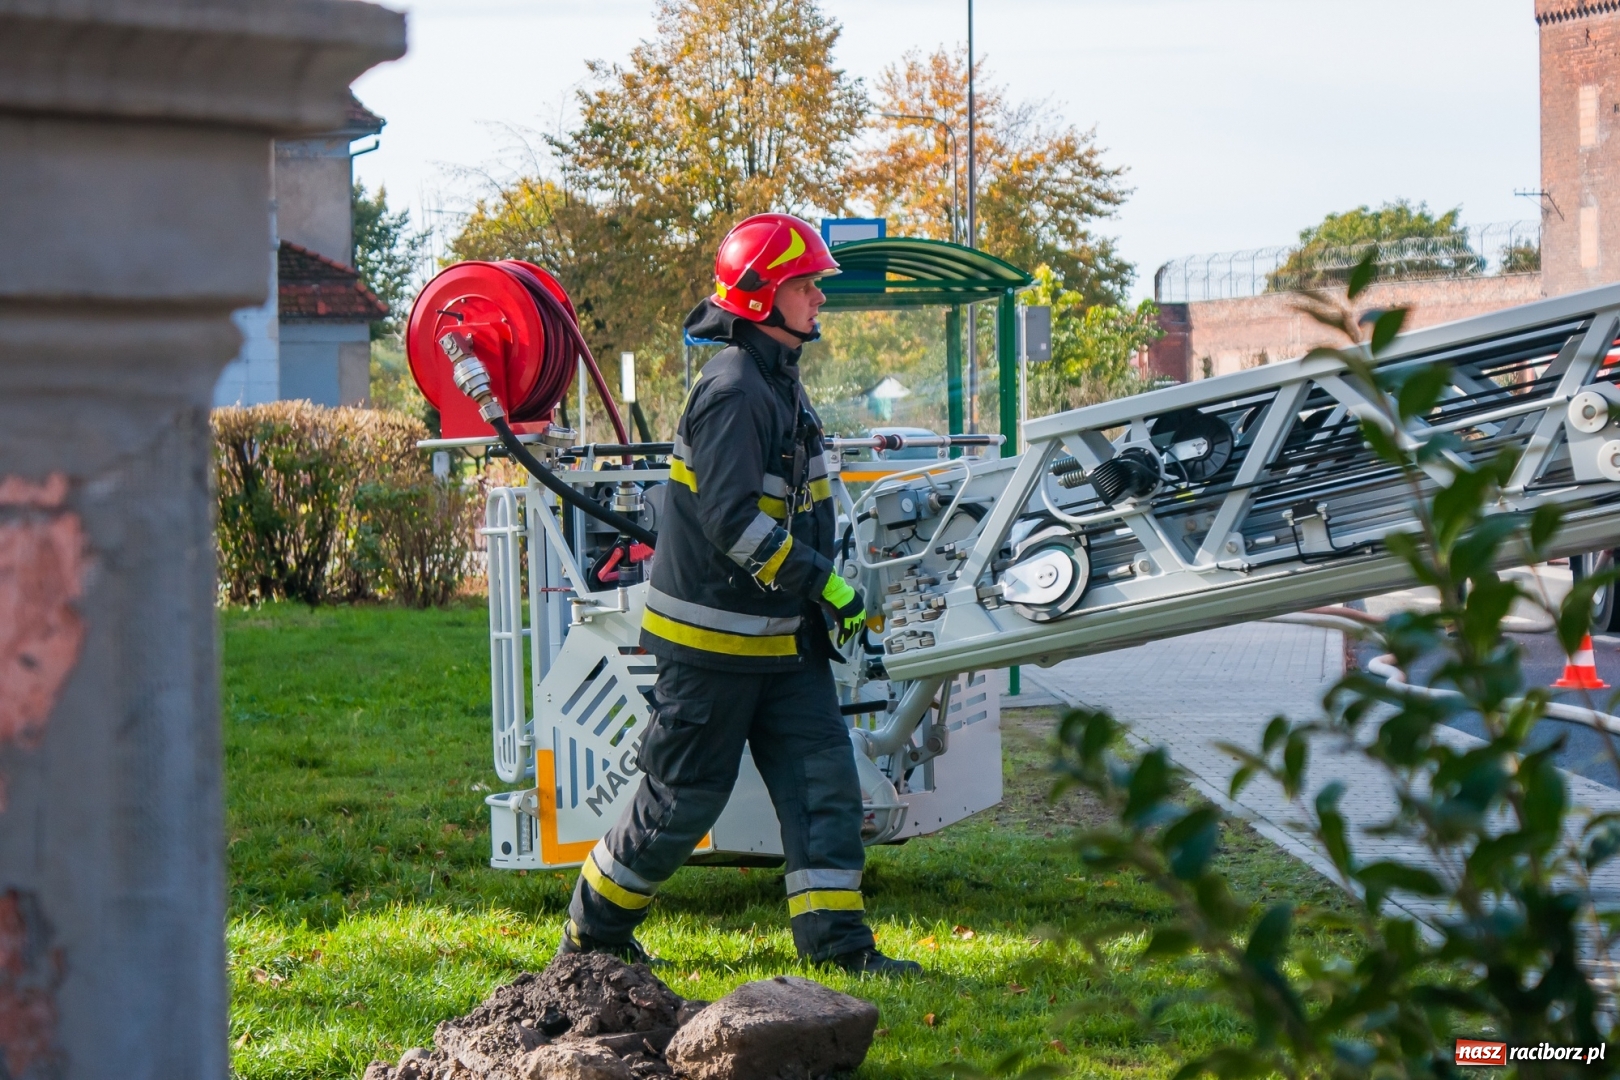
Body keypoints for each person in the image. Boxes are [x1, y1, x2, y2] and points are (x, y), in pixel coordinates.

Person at [558, 213, 921, 977]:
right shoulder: (732, 390)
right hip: (713, 649)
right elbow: (731, 522)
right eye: (805, 284)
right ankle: (592, 940)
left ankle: (842, 952)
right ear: (762, 297)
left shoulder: (777, 382)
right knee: (681, 802)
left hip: (785, 643)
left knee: (824, 791)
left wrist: (821, 593)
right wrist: (820, 578)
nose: (819, 296)